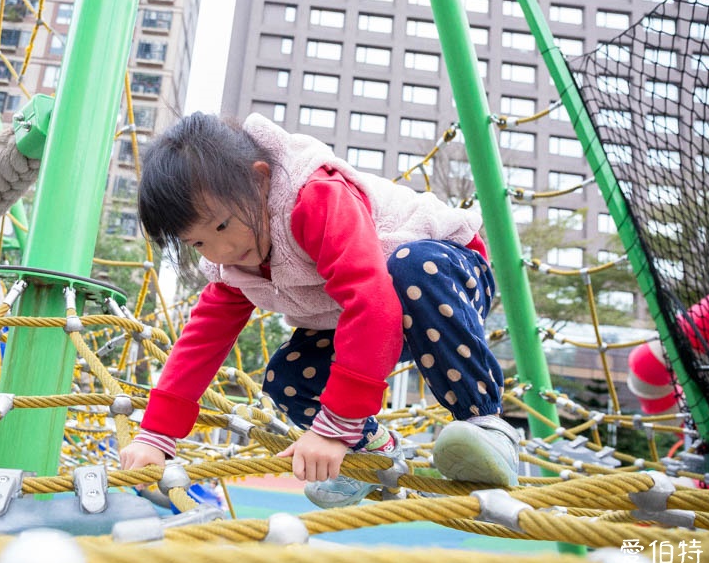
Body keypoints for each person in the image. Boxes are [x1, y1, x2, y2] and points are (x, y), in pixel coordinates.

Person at [119, 112, 519, 508]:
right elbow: (202, 341)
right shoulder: (235, 265)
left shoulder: (314, 198)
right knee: (287, 377)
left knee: (411, 266)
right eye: (199, 243)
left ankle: (484, 424)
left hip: (445, 282)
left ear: (259, 180)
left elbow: (372, 299)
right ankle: (370, 451)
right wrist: (156, 434)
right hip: (366, 322)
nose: (222, 250)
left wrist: (335, 427)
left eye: (222, 225)